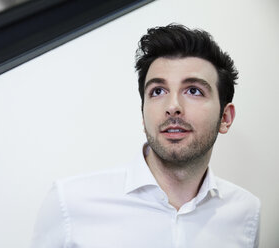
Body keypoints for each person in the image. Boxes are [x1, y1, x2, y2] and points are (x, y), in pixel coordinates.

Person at [31, 24, 260, 248]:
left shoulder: (246, 213)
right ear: (143, 115)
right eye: (158, 91)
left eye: (194, 90)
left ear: (225, 118)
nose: (173, 107)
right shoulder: (69, 204)